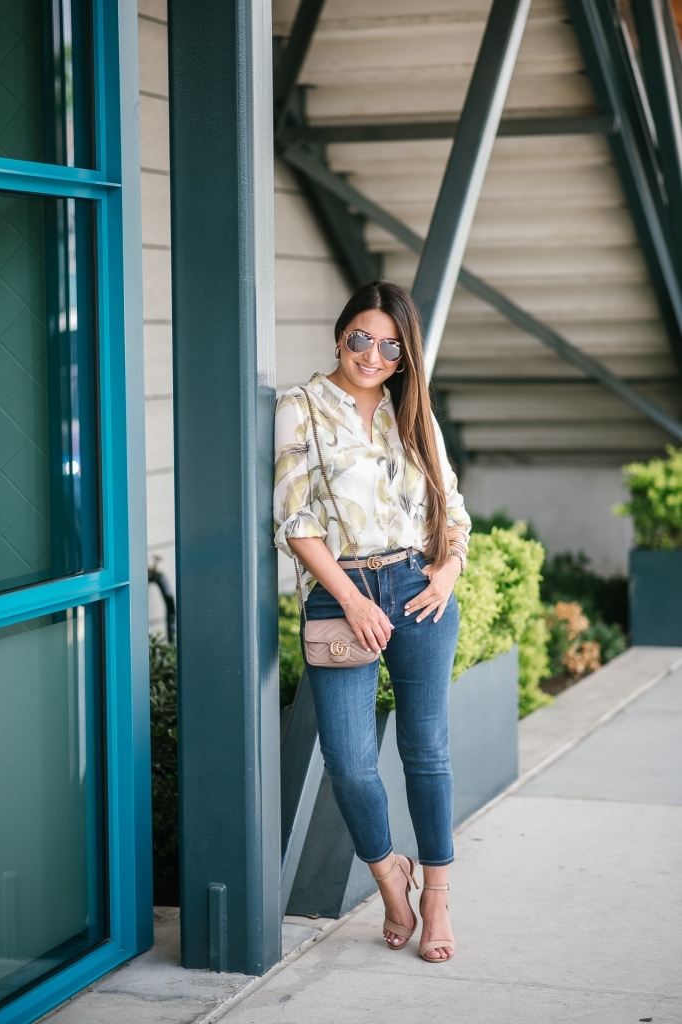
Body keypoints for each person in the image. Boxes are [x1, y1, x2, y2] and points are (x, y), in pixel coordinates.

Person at [273, 281, 470, 962]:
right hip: (340, 596)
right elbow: (296, 523)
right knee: (350, 762)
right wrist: (354, 601)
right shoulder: (299, 408)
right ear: (339, 335)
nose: (373, 354)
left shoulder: (410, 411)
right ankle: (391, 874)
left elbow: (453, 508)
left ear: (403, 355)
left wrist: (446, 571)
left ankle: (438, 893)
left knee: (427, 751)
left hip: (420, 590)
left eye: (391, 345)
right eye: (362, 337)